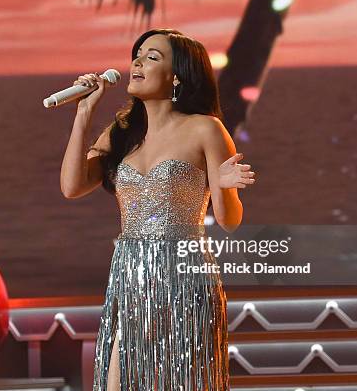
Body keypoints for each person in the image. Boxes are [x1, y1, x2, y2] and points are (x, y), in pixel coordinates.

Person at [60, 28, 255, 390]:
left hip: (185, 277)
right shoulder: (121, 133)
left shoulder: (206, 129)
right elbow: (72, 187)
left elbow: (230, 221)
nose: (137, 61)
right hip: (130, 277)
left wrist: (223, 188)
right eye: (137, 54)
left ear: (176, 76)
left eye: (152, 57)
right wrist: (84, 113)